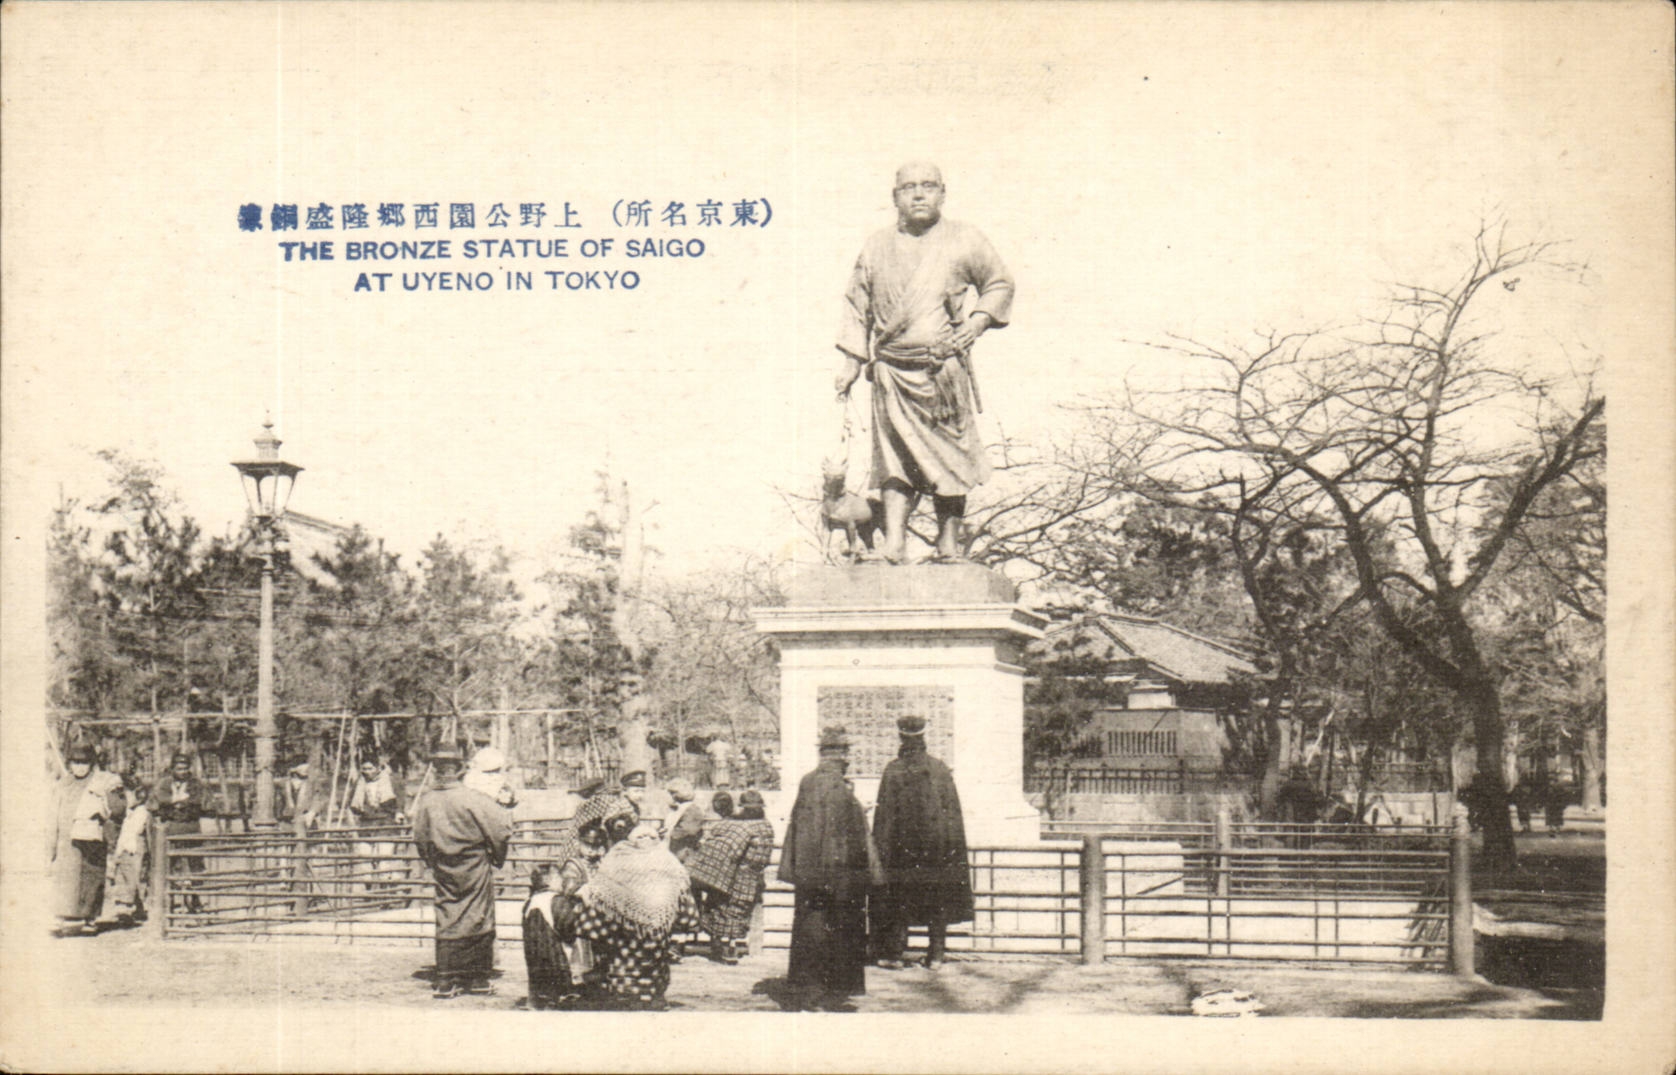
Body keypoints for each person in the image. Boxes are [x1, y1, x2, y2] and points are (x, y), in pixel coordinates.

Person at [834, 161, 1015, 563]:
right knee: (893, 459)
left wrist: (978, 321)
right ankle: (894, 543)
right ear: (894, 196)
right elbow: (856, 305)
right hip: (891, 371)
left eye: (928, 186)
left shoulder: (965, 239)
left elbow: (999, 283)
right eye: (909, 187)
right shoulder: (876, 246)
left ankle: (948, 542)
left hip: (941, 371)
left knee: (951, 458)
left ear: (943, 193)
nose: (919, 194)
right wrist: (851, 360)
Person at [777, 726, 876, 1012]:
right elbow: (848, 835)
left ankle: (808, 990)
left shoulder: (808, 782)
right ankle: (833, 993)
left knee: (810, 928)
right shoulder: (841, 789)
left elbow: (801, 827)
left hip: (810, 875)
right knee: (840, 931)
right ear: (843, 755)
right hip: (840, 874)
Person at [871, 715, 973, 969]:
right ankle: (936, 955)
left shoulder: (893, 770)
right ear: (924, 736)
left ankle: (895, 954)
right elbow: (953, 815)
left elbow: (884, 819)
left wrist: (880, 851)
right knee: (936, 899)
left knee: (899, 899)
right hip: (936, 851)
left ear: (900, 737)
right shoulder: (939, 769)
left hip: (901, 851)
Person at [411, 746, 513, 999]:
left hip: (444, 865)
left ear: (436, 771)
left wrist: (433, 862)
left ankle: (447, 978)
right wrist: (497, 857)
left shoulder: (426, 801)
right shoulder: (473, 798)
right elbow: (500, 831)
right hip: (474, 864)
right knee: (478, 915)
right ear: (460, 770)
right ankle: (477, 978)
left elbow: (420, 838)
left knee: (447, 914)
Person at [573, 820, 700, 1010]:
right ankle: (646, 998)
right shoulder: (625, 857)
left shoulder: (662, 861)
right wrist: (684, 921)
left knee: (628, 961)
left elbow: (679, 890)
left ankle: (632, 997)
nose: (646, 840)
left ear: (657, 840)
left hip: (629, 927)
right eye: (641, 837)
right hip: (643, 928)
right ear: (631, 839)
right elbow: (604, 890)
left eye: (651, 837)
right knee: (649, 961)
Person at [687, 788, 775, 965]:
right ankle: (726, 945)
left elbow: (729, 850)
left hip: (739, 874)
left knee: (728, 907)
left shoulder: (740, 826)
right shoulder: (764, 826)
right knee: (728, 907)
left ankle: (725, 945)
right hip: (745, 875)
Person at [51, 744, 126, 934]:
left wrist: (104, 813)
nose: (80, 767)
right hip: (67, 839)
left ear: (92, 763)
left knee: (92, 876)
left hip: (92, 835)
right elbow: (53, 811)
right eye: (76, 763)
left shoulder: (104, 780)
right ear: (70, 764)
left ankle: (89, 918)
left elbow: (118, 808)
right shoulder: (63, 783)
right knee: (66, 877)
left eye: (84, 763)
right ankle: (62, 916)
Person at [153, 751, 209, 914]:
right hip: (172, 828)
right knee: (171, 865)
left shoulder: (195, 783)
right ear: (172, 769)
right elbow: (160, 799)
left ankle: (195, 899)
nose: (182, 772)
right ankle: (170, 901)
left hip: (191, 827)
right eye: (179, 768)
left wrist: (176, 802)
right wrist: (177, 801)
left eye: (185, 768)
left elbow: (196, 801)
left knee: (195, 865)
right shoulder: (165, 783)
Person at [109, 778, 152, 926]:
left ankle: (129, 908)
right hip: (125, 847)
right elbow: (123, 833)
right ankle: (131, 908)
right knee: (123, 877)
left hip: (134, 847)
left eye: (128, 796)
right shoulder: (129, 813)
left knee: (133, 877)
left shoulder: (141, 812)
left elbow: (136, 831)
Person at [663, 777, 705, 864]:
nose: (671, 796)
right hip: (674, 850)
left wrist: (670, 833)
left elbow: (689, 829)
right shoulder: (677, 809)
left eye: (672, 793)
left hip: (685, 853)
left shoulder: (693, 809)